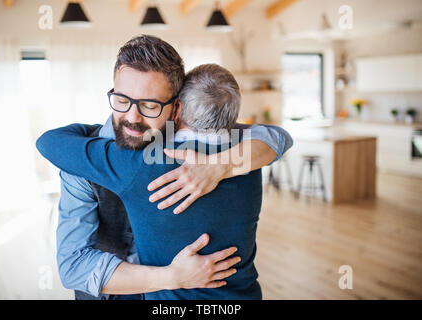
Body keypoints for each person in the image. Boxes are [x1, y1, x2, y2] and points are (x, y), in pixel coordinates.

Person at [53, 35, 293, 300]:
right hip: (111, 294)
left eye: (149, 105)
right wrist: (172, 276)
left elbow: (275, 136)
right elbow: (74, 267)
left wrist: (218, 166)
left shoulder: (190, 142)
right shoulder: (83, 159)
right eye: (122, 100)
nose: (132, 117)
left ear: (175, 106)